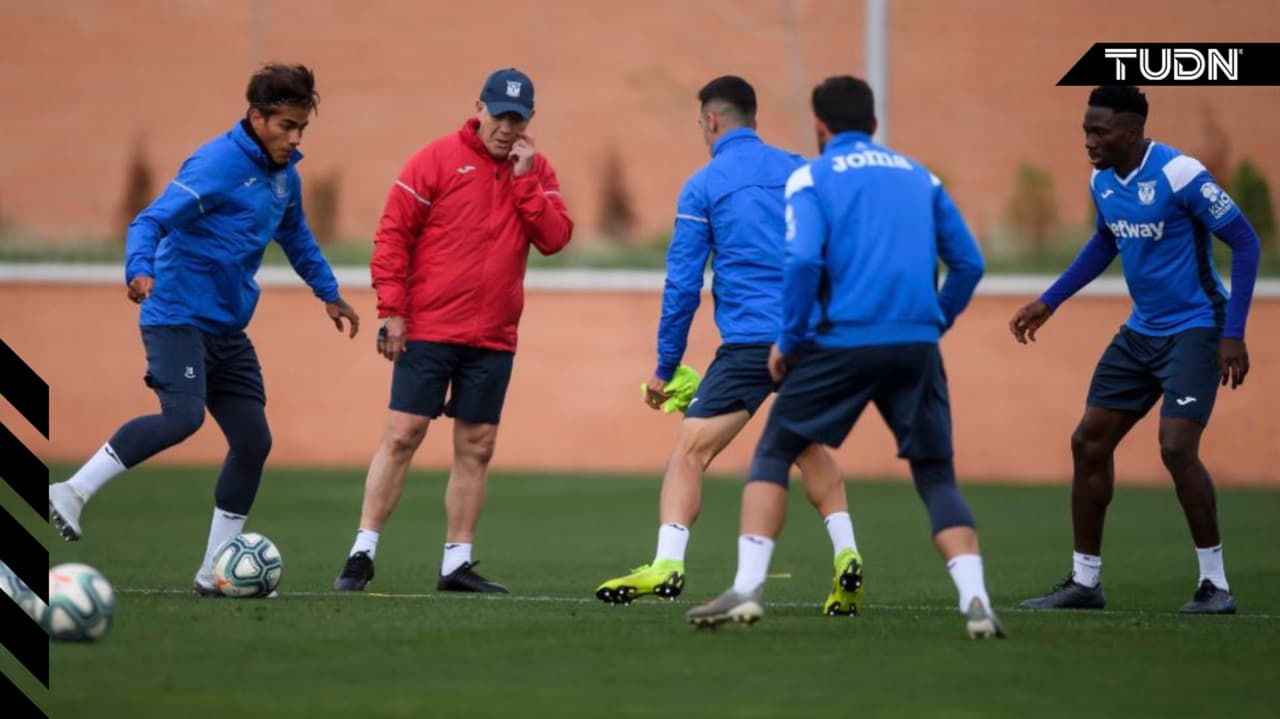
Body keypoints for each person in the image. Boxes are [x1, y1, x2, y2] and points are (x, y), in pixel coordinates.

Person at [684, 76, 1003, 639]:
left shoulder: (813, 176)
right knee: (935, 474)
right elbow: (969, 264)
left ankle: (747, 589)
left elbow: (804, 262)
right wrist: (936, 320)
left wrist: (790, 338)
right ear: (874, 125)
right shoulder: (920, 176)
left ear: (820, 127)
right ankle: (975, 599)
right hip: (915, 344)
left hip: (842, 343)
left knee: (774, 452)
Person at [47, 64, 360, 596]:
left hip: (228, 329)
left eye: (302, 128)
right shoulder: (217, 164)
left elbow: (297, 238)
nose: (295, 138)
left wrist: (328, 292)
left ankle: (213, 570)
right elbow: (149, 220)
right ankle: (72, 491)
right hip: (176, 316)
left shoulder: (285, 177)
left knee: (253, 441)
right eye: (286, 126)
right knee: (184, 417)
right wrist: (139, 269)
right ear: (256, 117)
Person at [594, 76, 864, 616]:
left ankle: (667, 563)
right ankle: (847, 553)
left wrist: (666, 366)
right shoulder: (802, 171)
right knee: (806, 445)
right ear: (753, 117)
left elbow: (682, 284)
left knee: (690, 453)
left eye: (701, 124)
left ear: (712, 121)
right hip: (808, 339)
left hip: (748, 347)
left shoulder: (704, 185)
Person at [1012, 86, 1260, 615]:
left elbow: (1245, 241)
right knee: (1089, 442)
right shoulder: (1102, 180)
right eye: (1085, 130)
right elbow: (1106, 240)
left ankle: (1215, 585)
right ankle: (1085, 582)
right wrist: (1049, 301)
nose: (1088, 141)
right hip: (1141, 332)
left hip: (1197, 327)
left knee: (1175, 447)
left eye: (1098, 131)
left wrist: (1233, 332)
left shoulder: (1180, 174)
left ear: (1131, 133)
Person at [333, 68, 573, 594]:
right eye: (499, 115)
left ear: (529, 120)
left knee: (478, 446)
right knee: (402, 435)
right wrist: (392, 310)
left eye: (517, 119)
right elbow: (392, 235)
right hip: (430, 327)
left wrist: (525, 180)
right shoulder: (435, 159)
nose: (506, 128)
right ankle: (361, 553)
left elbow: (555, 238)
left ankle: (455, 564)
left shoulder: (536, 170)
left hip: (494, 335)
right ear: (479, 108)